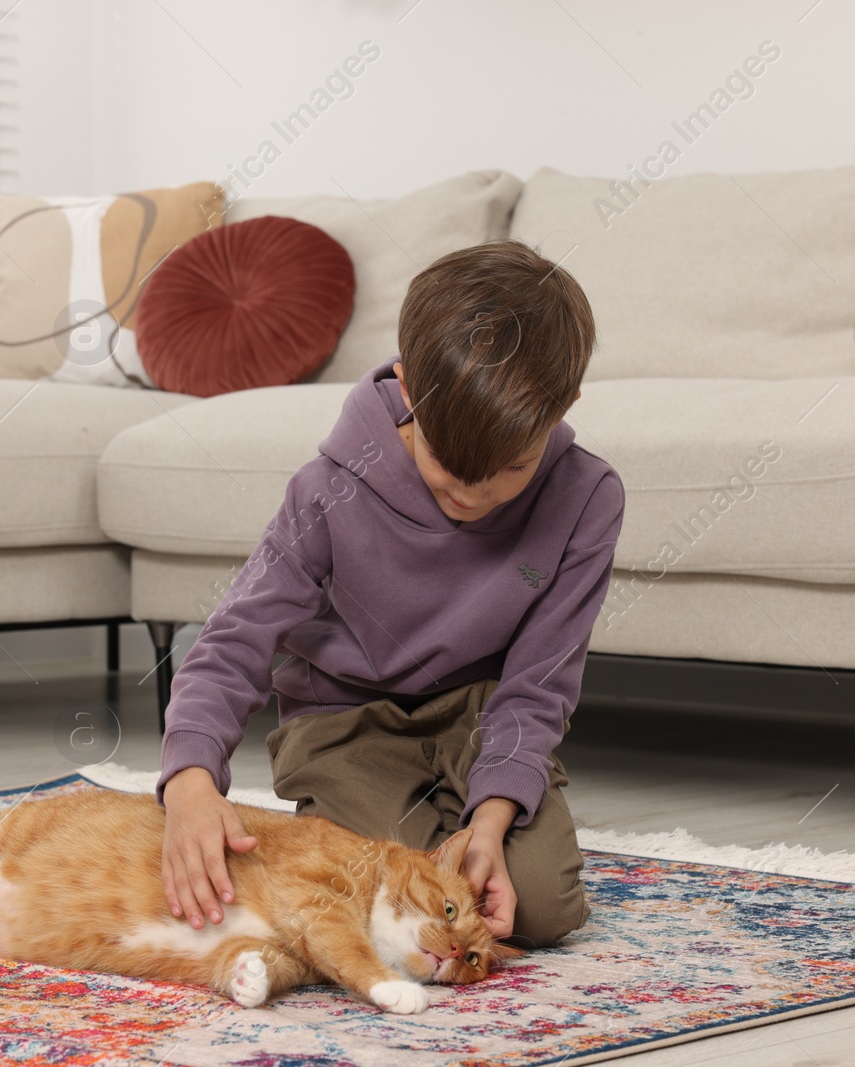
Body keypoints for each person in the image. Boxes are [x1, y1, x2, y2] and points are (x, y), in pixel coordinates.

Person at [155, 239, 624, 950]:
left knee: (541, 910)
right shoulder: (326, 489)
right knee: (384, 895)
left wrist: (493, 816)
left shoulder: (588, 498)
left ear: (564, 407)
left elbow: (538, 685)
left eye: (508, 470)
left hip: (481, 718)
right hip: (347, 723)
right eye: (446, 465)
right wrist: (190, 782)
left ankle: (462, 819)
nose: (471, 494)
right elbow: (232, 644)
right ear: (407, 388)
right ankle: (390, 827)